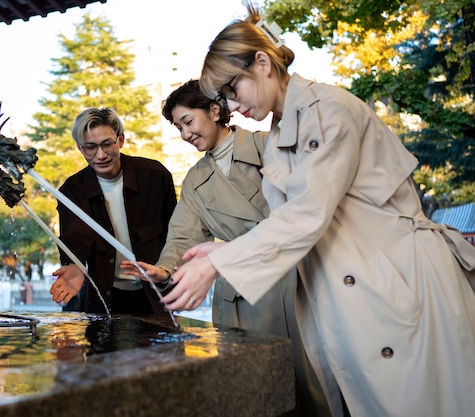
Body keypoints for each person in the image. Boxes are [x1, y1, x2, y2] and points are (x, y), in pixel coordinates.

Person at [161, 4, 475, 417]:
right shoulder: (281, 129)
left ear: (262, 63)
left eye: (233, 91)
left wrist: (222, 262)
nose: (232, 106)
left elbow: (309, 212)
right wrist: (216, 253)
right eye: (224, 97)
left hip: (399, 281)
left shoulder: (327, 109)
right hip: (355, 292)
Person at [121, 79, 330, 416]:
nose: (185, 134)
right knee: (254, 390)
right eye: (178, 128)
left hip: (299, 281)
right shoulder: (194, 180)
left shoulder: (269, 146)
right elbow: (183, 237)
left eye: (188, 122)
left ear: (215, 111)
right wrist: (163, 269)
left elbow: (309, 207)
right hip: (242, 295)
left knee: (313, 385)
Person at [50, 107, 177, 315]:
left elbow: (176, 233)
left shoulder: (155, 176)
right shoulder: (72, 190)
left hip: (157, 295)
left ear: (120, 140)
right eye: (90, 147)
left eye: (107, 144)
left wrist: (170, 272)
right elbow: (73, 239)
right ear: (80, 148)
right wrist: (73, 266)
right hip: (106, 298)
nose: (101, 155)